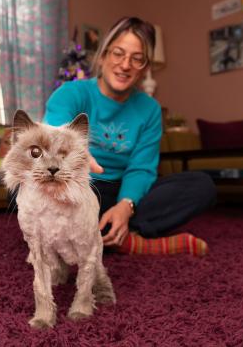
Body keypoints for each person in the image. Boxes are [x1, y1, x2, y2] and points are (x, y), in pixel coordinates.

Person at [44, 16, 216, 256]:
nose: (125, 65)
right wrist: (77, 156)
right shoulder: (71, 93)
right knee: (25, 186)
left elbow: (142, 168)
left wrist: (126, 206)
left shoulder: (150, 109)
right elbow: (54, 133)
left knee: (201, 185)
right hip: (79, 184)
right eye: (118, 53)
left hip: (122, 190)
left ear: (145, 68)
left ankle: (105, 233)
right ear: (103, 55)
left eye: (137, 59)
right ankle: (126, 240)